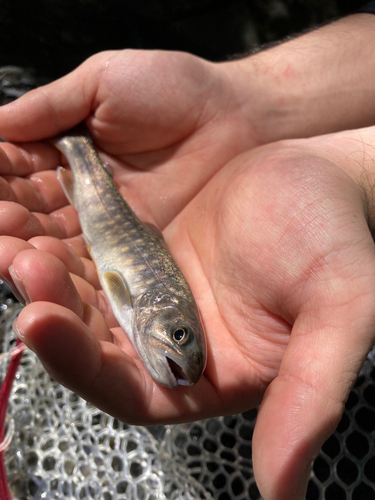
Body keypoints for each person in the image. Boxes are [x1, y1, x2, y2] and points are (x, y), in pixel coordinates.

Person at [1, 11, 375, 500]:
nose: (180, 349)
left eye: (180, 336)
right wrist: (243, 99)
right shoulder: (137, 296)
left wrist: (355, 169)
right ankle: (75, 145)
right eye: (181, 334)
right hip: (95, 189)